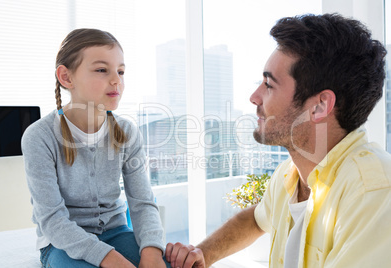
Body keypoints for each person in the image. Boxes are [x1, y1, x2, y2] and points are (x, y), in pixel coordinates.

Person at [166, 13, 391, 268]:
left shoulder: (373, 192)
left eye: (269, 84)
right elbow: (255, 219)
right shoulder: (291, 174)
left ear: (320, 106)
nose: (254, 96)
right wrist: (202, 254)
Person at [22, 28, 170, 268]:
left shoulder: (127, 132)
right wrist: (108, 258)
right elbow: (52, 220)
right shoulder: (39, 136)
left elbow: (142, 202)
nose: (116, 81)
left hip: (116, 232)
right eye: (102, 70)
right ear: (66, 77)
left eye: (120, 71)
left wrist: (152, 251)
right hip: (62, 244)